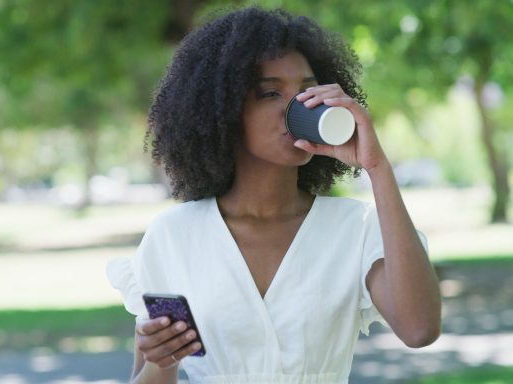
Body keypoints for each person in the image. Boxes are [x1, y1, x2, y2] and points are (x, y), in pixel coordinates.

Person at [107, 6, 441, 384]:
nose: (298, 106)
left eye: (307, 90)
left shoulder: (356, 227)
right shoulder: (174, 235)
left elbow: (419, 330)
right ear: (224, 109)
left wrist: (377, 168)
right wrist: (161, 362)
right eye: (269, 92)